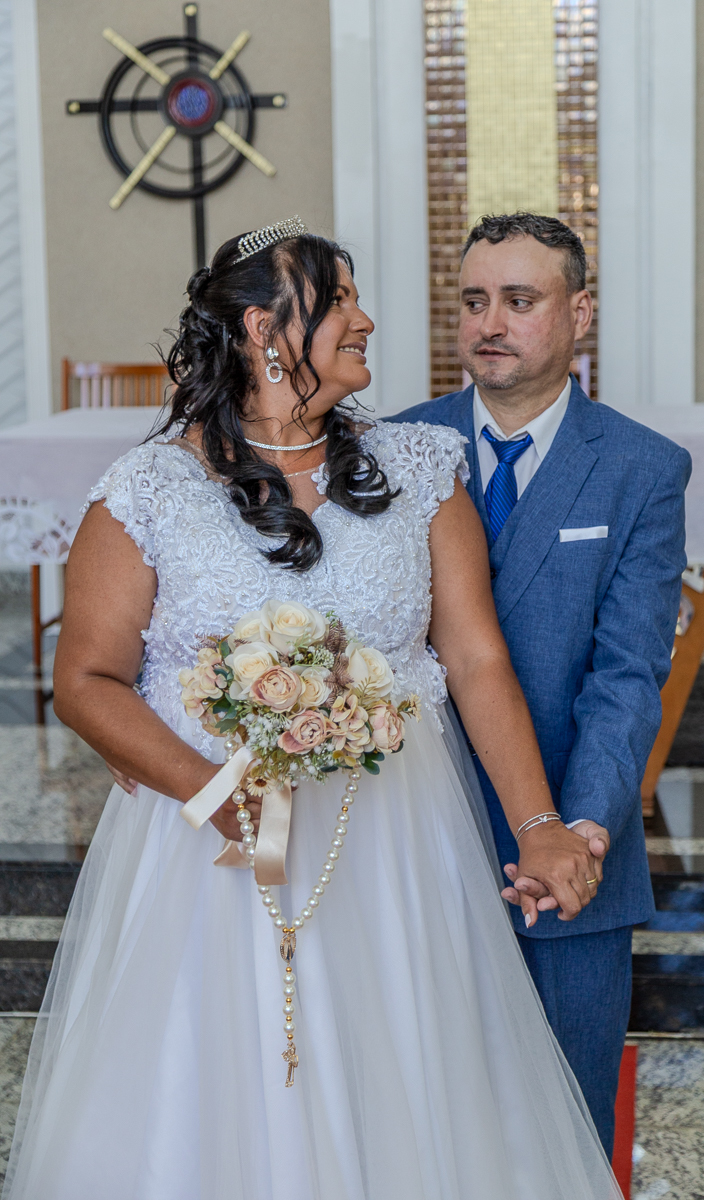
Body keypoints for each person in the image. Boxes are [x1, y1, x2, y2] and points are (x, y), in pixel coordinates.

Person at [2, 223, 621, 1199]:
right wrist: (218, 796)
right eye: (341, 301)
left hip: (397, 842)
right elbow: (84, 679)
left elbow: (472, 658)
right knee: (221, 1080)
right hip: (207, 844)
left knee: (408, 1070)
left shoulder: (417, 468)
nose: (366, 319)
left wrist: (539, 825)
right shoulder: (152, 488)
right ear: (263, 329)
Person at [393, 211, 691, 1157]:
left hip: (568, 851)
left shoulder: (642, 468)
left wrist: (585, 826)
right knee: (418, 1114)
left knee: (564, 1124)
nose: (491, 323)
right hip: (414, 841)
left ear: (580, 313)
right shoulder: (394, 448)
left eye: (520, 302)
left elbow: (628, 671)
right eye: (474, 301)